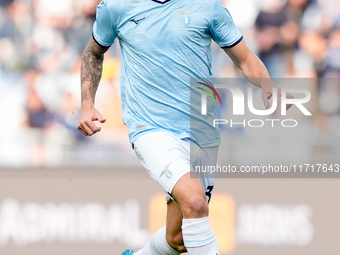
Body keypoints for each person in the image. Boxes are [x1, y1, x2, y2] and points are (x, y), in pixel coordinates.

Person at [77, 0, 293, 254]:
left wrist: (267, 85)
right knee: (195, 200)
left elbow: (244, 57)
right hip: (151, 127)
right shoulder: (117, 6)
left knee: (178, 238)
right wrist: (87, 103)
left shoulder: (208, 5)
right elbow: (93, 52)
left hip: (201, 131)